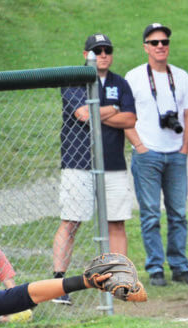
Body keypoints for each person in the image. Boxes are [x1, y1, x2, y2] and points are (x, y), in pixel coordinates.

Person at [53, 33, 137, 305]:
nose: (102, 54)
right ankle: (58, 283)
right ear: (85, 54)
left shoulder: (119, 82)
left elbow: (130, 118)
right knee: (71, 220)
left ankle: (121, 281)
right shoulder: (73, 78)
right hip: (79, 163)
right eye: (96, 50)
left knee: (117, 221)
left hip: (113, 164)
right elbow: (82, 115)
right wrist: (113, 109)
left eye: (107, 50)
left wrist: (103, 111)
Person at [125, 23, 188, 287]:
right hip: (147, 155)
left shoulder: (181, 76)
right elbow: (125, 116)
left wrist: (185, 149)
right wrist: (139, 146)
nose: (160, 47)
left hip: (176, 153)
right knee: (151, 214)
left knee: (178, 213)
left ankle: (180, 266)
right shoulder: (132, 77)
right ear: (145, 47)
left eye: (164, 42)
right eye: (154, 42)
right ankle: (155, 267)